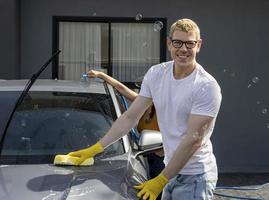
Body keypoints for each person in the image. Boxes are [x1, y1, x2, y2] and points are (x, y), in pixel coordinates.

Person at [66, 18, 222, 200]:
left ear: (199, 45)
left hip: (195, 176)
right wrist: (96, 148)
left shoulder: (206, 86)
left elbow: (193, 140)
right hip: (170, 170)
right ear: (169, 43)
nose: (184, 49)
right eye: (178, 42)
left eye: (190, 43)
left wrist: (161, 179)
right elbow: (130, 117)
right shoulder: (156, 74)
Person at [86, 69, 165, 178]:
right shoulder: (144, 102)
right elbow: (120, 87)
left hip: (162, 160)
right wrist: (100, 75)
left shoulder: (168, 109)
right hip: (143, 156)